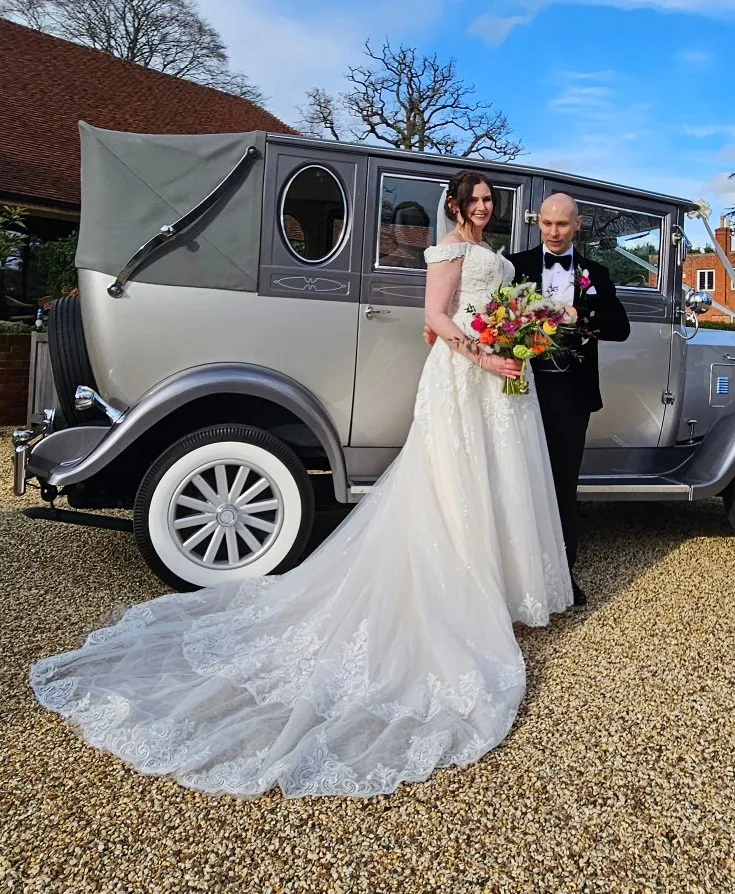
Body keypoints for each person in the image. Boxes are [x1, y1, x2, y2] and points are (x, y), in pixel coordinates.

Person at [30, 171, 573, 800]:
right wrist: (485, 355)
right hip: (468, 375)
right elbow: (435, 315)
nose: (482, 207)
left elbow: (460, 318)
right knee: (455, 483)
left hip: (500, 378)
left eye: (488, 201)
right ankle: (462, 593)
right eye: (473, 200)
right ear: (454, 205)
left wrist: (514, 345)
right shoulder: (448, 250)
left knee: (499, 480)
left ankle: (502, 594)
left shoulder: (496, 256)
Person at [424, 194, 630, 606]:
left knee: (561, 486)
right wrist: (434, 326)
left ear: (577, 225)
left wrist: (579, 316)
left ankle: (561, 579)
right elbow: (476, 309)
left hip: (572, 395)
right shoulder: (515, 265)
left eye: (563, 225)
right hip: (519, 389)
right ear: (540, 224)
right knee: (519, 484)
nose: (554, 233)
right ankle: (516, 579)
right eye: (548, 224)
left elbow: (620, 327)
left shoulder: (596, 273)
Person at [378, 201, 431, 269]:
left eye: (416, 225)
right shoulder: (385, 266)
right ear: (393, 231)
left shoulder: (436, 264)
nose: (410, 232)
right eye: (404, 225)